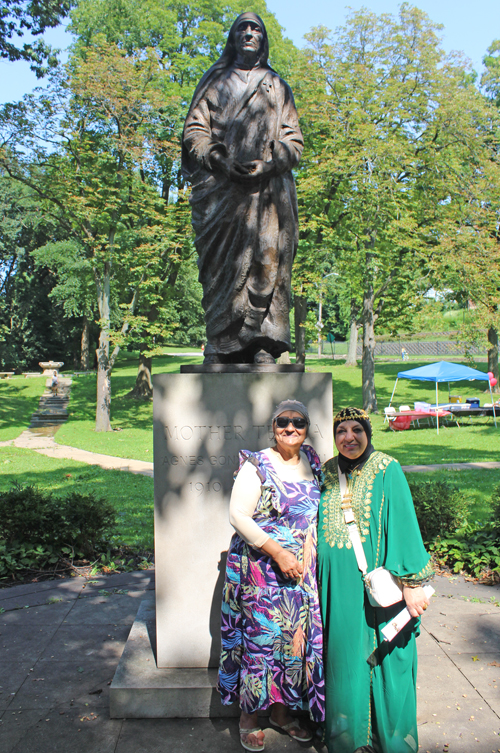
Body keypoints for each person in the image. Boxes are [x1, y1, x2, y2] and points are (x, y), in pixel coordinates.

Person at [182, 13, 303, 365]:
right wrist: (217, 158)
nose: (249, 34)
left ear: (264, 40)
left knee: (268, 259)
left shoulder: (277, 87)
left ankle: (262, 344)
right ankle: (220, 344)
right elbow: (194, 131)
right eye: (242, 28)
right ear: (232, 38)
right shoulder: (214, 82)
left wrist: (270, 163)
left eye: (256, 30)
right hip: (222, 194)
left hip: (267, 195)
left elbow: (293, 140)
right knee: (220, 270)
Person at [317, 407, 434, 753]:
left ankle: (392, 743)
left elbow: (402, 524)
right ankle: (348, 738)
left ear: (369, 432)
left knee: (389, 660)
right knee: (344, 660)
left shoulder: (387, 469)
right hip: (336, 589)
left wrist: (412, 584)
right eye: (341, 431)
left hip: (383, 589)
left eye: (357, 429)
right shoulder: (325, 472)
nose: (349, 437)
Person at [218, 399, 325, 751]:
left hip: (299, 575)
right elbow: (239, 515)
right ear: (273, 426)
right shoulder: (257, 464)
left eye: (298, 422)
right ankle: (249, 716)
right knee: (261, 645)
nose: (290, 428)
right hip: (261, 573)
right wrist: (278, 552)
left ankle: (281, 715)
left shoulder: (313, 461)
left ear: (307, 427)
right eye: (283, 422)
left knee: (292, 646)